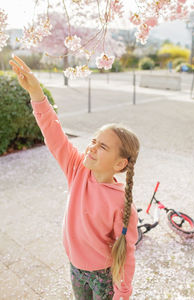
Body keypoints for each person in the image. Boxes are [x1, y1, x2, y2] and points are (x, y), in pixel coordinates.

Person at [9, 55, 140, 300]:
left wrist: (123, 294)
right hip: (75, 267)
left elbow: (127, 252)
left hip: (103, 275)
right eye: (93, 140)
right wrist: (37, 94)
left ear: (120, 164)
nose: (91, 147)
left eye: (102, 147)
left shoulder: (123, 204)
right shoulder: (78, 169)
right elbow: (53, 132)